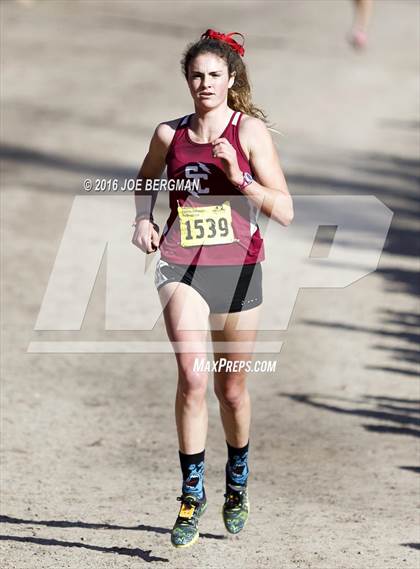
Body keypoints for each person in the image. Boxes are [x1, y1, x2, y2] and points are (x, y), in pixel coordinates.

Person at [131, 28, 293, 549]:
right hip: (181, 264)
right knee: (193, 378)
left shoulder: (249, 135)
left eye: (214, 75)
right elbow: (146, 179)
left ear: (230, 79)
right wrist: (142, 218)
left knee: (231, 389)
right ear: (186, 79)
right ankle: (191, 491)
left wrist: (238, 177)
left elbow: (286, 211)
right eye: (196, 75)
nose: (204, 83)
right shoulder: (168, 134)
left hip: (239, 269)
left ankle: (238, 480)